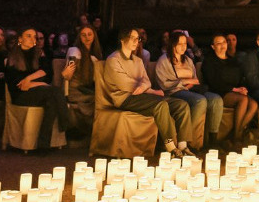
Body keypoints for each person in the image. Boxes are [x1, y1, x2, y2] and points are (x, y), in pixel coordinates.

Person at [101, 27, 190, 155]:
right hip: (124, 98)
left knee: (181, 105)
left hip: (141, 95)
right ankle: (170, 146)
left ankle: (183, 145)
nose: (136, 41)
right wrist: (144, 87)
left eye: (138, 39)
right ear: (122, 40)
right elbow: (124, 84)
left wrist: (143, 87)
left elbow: (146, 81)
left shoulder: (138, 60)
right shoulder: (113, 59)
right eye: (133, 38)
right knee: (161, 105)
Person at [156, 31, 223, 151]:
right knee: (200, 101)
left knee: (216, 99)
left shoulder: (187, 60)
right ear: (173, 45)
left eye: (185, 43)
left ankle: (212, 141)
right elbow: (165, 83)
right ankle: (185, 140)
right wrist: (184, 82)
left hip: (190, 90)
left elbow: (195, 80)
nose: (183, 46)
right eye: (179, 43)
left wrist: (187, 82)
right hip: (174, 91)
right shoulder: (164, 60)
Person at [5, 28, 72, 147]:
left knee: (51, 102)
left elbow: (48, 74)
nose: (33, 39)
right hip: (20, 96)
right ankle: (67, 125)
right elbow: (18, 85)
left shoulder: (39, 54)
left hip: (40, 92)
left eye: (34, 36)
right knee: (55, 91)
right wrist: (38, 83)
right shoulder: (13, 57)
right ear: (20, 39)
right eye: (28, 36)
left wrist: (29, 79)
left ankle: (43, 144)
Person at [202, 33, 257, 144]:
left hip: (234, 91)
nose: (222, 45)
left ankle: (234, 133)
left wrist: (243, 88)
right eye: (218, 43)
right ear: (213, 47)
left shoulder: (233, 60)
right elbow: (213, 82)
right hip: (219, 92)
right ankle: (237, 137)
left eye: (224, 42)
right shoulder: (209, 61)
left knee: (254, 105)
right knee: (243, 100)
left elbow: (240, 78)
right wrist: (235, 89)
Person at [62, 25, 104, 131]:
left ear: (94, 36)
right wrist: (65, 74)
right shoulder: (75, 51)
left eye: (90, 34)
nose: (87, 37)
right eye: (83, 35)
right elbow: (68, 75)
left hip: (88, 89)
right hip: (75, 91)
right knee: (99, 99)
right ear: (79, 37)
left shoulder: (96, 54)